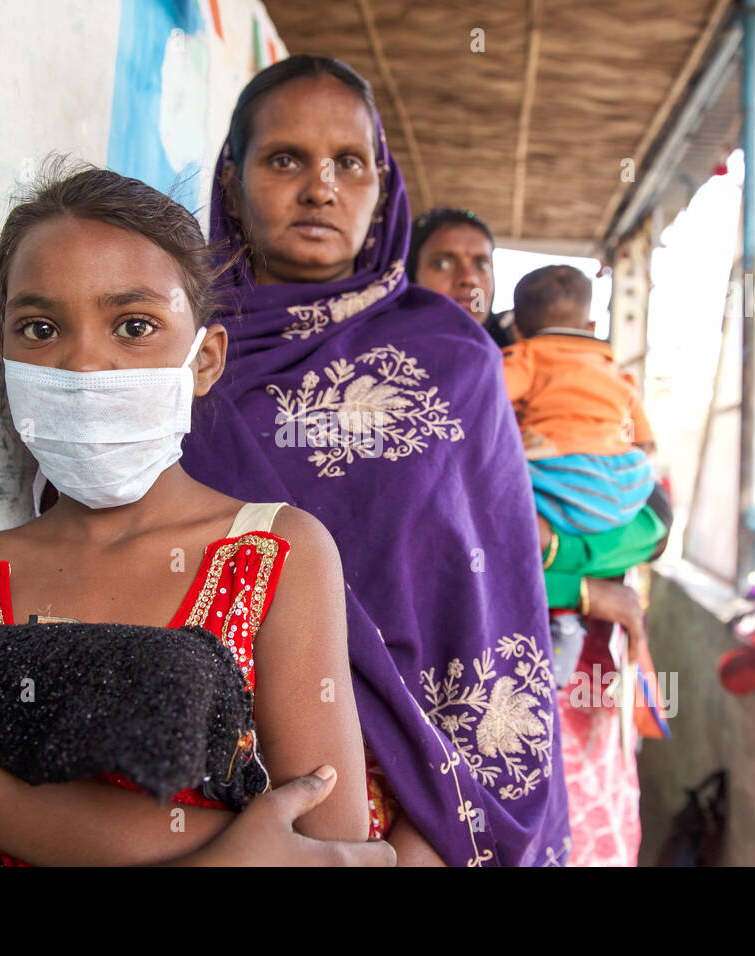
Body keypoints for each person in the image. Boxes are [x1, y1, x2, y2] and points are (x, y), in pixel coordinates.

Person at [0, 163, 395, 867]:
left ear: (205, 359)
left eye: (133, 325)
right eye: (39, 328)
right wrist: (232, 852)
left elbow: (331, 847)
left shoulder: (274, 552)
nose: (83, 365)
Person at [179, 55, 571, 866]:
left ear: (382, 187)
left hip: (412, 810)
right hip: (189, 789)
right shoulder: (176, 347)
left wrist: (424, 843)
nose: (320, 188)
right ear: (232, 178)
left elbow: (495, 611)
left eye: (347, 164)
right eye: (285, 159)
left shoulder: (452, 357)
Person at [502, 264, 658, 679]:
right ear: (590, 324)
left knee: (505, 479)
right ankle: (574, 611)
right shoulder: (618, 374)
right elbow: (645, 442)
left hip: (558, 486)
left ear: (517, 327)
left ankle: (561, 622)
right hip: (620, 493)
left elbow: (487, 400)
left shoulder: (526, 355)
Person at [407, 207, 518, 347]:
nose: (469, 279)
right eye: (442, 264)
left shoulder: (514, 359)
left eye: (482, 265)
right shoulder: (380, 357)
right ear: (410, 272)